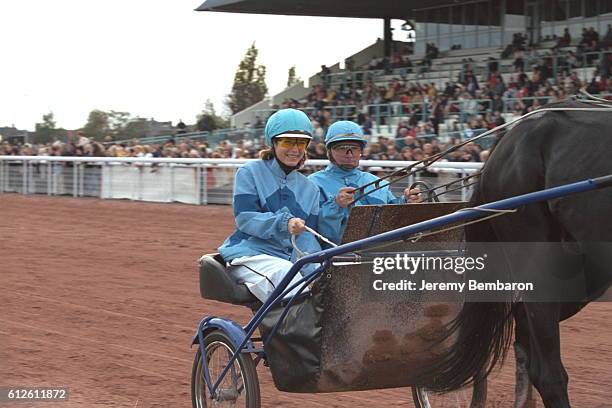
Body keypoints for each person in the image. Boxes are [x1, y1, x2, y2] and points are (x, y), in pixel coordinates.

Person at [218, 109, 321, 302]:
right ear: (273, 142)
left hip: (287, 260)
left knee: (326, 278)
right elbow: (245, 219)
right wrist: (285, 223)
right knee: (287, 277)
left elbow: (307, 238)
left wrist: (313, 267)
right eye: (287, 141)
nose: (295, 149)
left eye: (301, 142)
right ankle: (292, 331)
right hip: (250, 254)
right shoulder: (249, 172)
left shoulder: (311, 189)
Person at [308, 120, 420, 245]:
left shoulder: (378, 183)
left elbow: (392, 219)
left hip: (378, 255)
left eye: (355, 148)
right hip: (334, 256)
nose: (349, 154)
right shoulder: (313, 184)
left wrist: (406, 201)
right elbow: (315, 233)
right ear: (329, 151)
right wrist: (336, 205)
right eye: (342, 148)